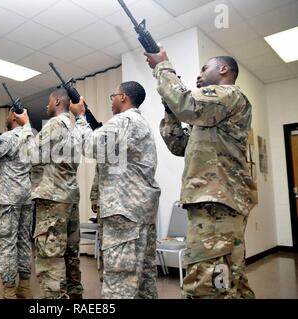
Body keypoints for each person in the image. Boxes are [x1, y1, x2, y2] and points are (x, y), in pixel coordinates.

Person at [145, 48, 258, 298]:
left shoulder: (229, 95)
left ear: (224, 69)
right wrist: (169, 108)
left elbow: (187, 104)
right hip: (215, 202)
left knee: (207, 285)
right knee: (230, 280)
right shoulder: (210, 117)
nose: (199, 75)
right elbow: (179, 146)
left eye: (204, 69)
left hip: (217, 202)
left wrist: (163, 66)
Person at [69, 81, 161, 299]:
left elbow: (91, 146)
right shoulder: (139, 122)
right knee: (143, 279)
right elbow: (108, 158)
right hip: (140, 212)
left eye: (114, 95)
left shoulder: (124, 120)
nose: (112, 100)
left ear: (123, 97)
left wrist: (80, 116)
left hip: (124, 212)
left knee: (119, 281)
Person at [16, 88, 84, 299]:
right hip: (69, 197)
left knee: (49, 254)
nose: (46, 106)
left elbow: (29, 155)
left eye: (48, 102)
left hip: (52, 199)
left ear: (56, 101)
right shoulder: (74, 127)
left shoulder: (54, 125)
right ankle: (75, 295)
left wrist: (26, 127)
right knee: (70, 253)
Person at [0, 110, 33, 299]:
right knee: (24, 241)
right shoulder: (30, 136)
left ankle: (9, 289)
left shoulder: (9, 137)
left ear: (13, 117)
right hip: (26, 197)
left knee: (6, 244)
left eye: (9, 114)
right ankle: (25, 287)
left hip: (8, 199)